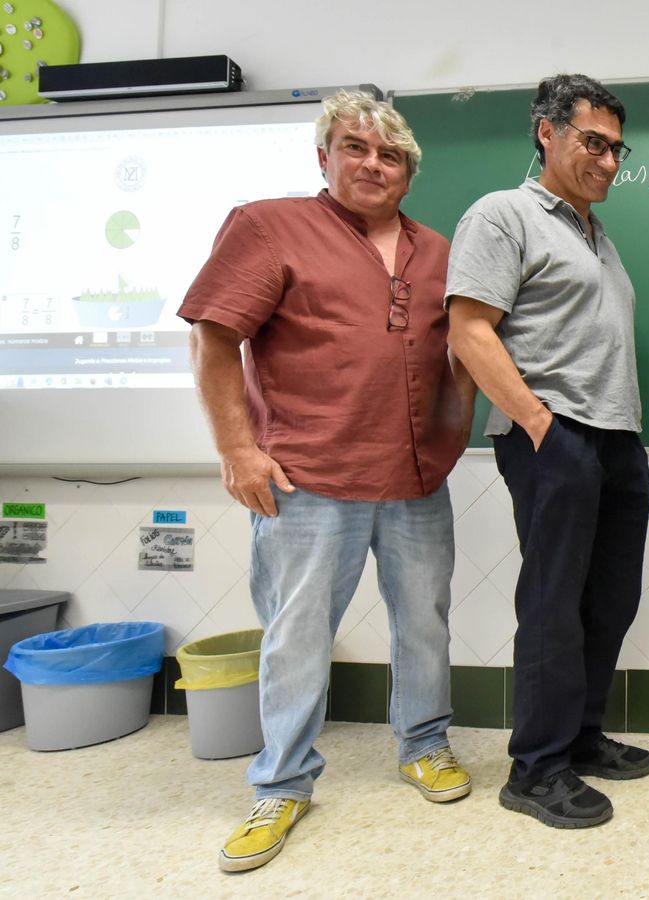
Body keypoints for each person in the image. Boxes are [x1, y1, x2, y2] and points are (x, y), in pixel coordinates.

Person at [181, 90, 475, 873]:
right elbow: (214, 341)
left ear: (408, 168)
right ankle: (280, 783)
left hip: (417, 477)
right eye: (355, 148)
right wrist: (237, 451)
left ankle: (425, 744)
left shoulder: (436, 249)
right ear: (324, 156)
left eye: (389, 154)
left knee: (425, 621)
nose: (373, 164)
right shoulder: (268, 226)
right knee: (297, 636)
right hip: (309, 477)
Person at [445, 73, 649, 830]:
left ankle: (582, 738)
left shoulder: (596, 233)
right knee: (553, 604)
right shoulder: (505, 215)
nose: (607, 160)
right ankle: (535, 769)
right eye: (592, 142)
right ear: (547, 132)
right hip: (554, 434)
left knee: (609, 600)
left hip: (617, 436)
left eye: (616, 148)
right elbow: (468, 329)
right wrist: (537, 424)